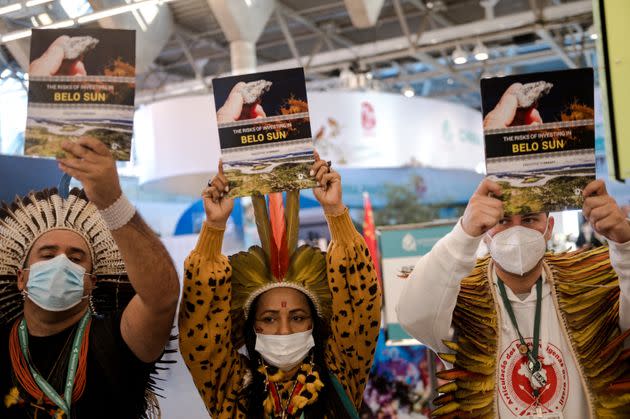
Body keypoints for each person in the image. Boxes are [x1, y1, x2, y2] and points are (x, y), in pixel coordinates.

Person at [396, 178, 630, 418]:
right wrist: (463, 235)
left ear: (549, 227)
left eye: (529, 219)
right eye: (503, 220)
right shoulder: (461, 301)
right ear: (485, 230)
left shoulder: (590, 289)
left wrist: (625, 244)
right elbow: (414, 316)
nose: (517, 231)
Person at [179, 156, 381, 418]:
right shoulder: (232, 387)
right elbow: (198, 329)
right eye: (269, 318)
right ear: (252, 325)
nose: (284, 330)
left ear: (314, 322)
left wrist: (335, 210)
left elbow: (361, 300)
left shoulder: (341, 370)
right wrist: (214, 226)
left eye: (297, 317)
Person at [0, 137, 180, 418]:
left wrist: (111, 201)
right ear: (21, 278)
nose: (61, 263)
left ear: (91, 282)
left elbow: (162, 298)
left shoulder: (117, 341)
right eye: (47, 255)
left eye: (75, 258)